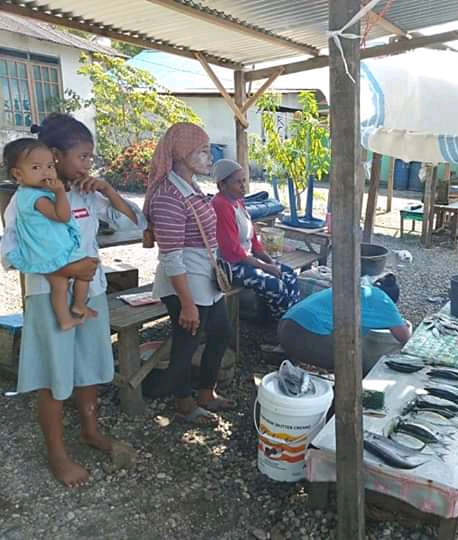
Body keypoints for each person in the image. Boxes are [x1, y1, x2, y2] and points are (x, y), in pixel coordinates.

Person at [0, 113, 144, 487]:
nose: (87, 164)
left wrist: (108, 190)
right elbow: (9, 253)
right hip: (48, 297)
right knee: (53, 375)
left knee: (87, 367)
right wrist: (63, 271)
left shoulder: (86, 193)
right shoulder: (25, 200)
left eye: (90, 157)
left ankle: (90, 432)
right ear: (55, 155)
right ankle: (57, 453)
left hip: (89, 292)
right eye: (82, 156)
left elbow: (136, 223)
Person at [144, 123, 234, 427]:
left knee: (221, 333)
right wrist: (186, 303)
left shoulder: (190, 186)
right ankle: (183, 404)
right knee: (186, 345)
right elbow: (171, 256)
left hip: (204, 278)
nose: (211, 157)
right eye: (204, 151)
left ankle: (206, 393)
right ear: (182, 153)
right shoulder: (169, 196)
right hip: (186, 283)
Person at [3, 138, 100, 330]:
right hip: (55, 251)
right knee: (87, 270)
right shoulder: (37, 197)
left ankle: (64, 319)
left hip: (42, 252)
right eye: (36, 167)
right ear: (18, 174)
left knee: (59, 286)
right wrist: (60, 192)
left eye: (49, 166)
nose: (46, 172)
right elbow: (62, 216)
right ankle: (79, 305)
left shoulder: (23, 194)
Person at [211, 158, 300, 318]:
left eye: (244, 181)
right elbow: (233, 251)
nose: (243, 186)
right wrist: (265, 267)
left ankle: (290, 319)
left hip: (246, 259)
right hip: (230, 266)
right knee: (276, 286)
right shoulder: (220, 205)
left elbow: (253, 241)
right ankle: (281, 323)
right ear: (222, 185)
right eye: (238, 182)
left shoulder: (238, 202)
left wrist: (269, 261)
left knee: (289, 275)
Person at [277, 278, 411, 374]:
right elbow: (405, 337)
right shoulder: (385, 301)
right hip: (302, 336)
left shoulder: (358, 287)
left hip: (284, 328)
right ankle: (345, 397)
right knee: (358, 361)